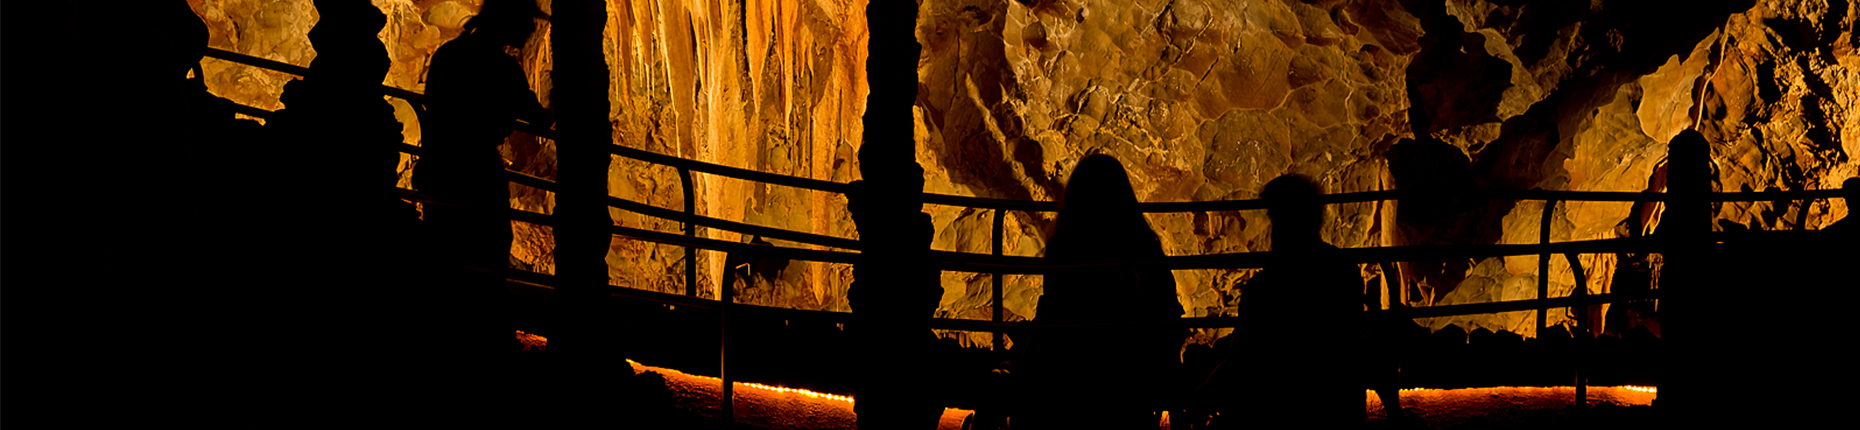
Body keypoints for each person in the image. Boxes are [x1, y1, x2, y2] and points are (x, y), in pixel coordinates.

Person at [1013, 154, 1186, 429]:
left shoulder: (1065, 245)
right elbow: (1167, 306)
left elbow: (1055, 312)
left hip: (1076, 367)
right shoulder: (1142, 242)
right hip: (1135, 366)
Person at [417, 0, 551, 354]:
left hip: (437, 164)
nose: (531, 31)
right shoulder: (502, 68)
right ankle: (484, 339)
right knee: (488, 249)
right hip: (475, 169)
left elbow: (433, 102)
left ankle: (445, 330)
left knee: (445, 248)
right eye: (526, 24)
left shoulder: (449, 53)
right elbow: (537, 118)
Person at [1229, 174, 1362, 428]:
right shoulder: (1343, 270)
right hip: (1336, 411)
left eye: (1272, 217)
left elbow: (1241, 360)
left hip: (1279, 412)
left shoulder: (1265, 289)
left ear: (1281, 222)